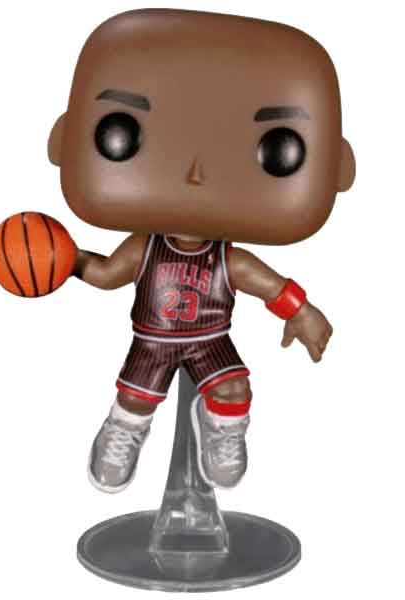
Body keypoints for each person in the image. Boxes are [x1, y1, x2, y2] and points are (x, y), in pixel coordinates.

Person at [46, 9, 356, 493]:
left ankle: (224, 432)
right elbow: (106, 273)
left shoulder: (226, 259)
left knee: (234, 388)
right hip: (152, 341)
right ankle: (123, 431)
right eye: (120, 131)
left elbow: (268, 285)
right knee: (136, 400)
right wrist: (62, 261)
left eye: (279, 147)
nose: (195, 173)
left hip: (211, 337)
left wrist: (303, 311)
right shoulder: (146, 247)